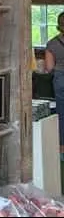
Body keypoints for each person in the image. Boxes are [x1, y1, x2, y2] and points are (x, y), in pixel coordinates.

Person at [44, 12, 64, 160]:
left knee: (61, 114)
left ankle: (62, 148)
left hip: (60, 79)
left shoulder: (52, 44)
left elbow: (49, 67)